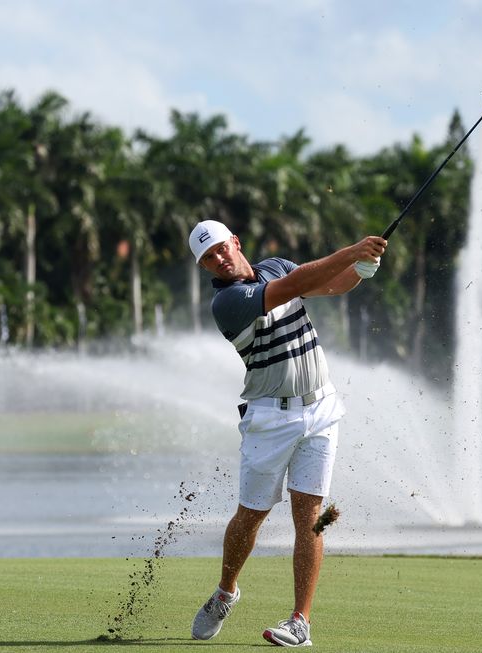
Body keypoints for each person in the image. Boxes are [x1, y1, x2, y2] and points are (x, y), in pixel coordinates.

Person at [187, 219, 386, 647]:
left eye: (221, 248)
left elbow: (326, 286)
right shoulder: (228, 302)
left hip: (321, 409)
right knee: (252, 514)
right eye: (208, 258)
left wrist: (361, 269)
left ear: (235, 242)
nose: (219, 259)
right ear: (206, 267)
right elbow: (296, 284)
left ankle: (300, 622)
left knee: (309, 518)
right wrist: (351, 250)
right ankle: (226, 591)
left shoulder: (274, 266)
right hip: (268, 420)